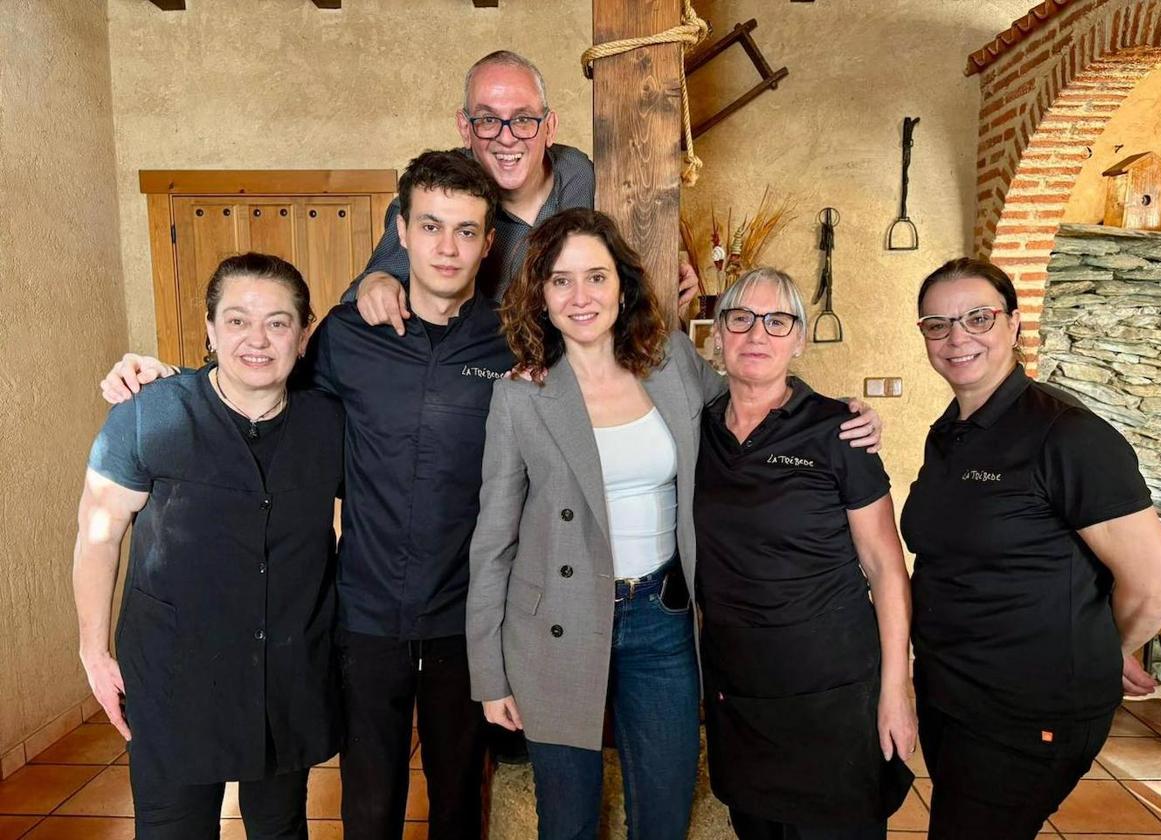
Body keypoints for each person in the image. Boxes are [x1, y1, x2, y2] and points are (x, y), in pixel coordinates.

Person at [97, 151, 511, 840]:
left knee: (460, 803)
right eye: (431, 225)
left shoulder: (510, 341)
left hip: (465, 615)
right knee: (369, 806)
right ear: (400, 231)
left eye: (466, 231)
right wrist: (169, 382)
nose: (448, 246)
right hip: (364, 614)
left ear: (487, 243)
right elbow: (259, 387)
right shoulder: (346, 335)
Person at [466, 210, 885, 840]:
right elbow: (492, 542)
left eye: (596, 277)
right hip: (555, 623)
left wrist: (840, 415)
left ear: (622, 286)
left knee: (662, 814)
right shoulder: (521, 393)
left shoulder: (670, 366)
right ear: (541, 296)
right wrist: (489, 673)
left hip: (661, 618)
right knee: (567, 822)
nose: (581, 297)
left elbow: (756, 389)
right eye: (561, 281)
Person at [900, 257, 1161, 840]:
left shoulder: (1068, 434)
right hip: (955, 695)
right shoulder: (950, 430)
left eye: (977, 317)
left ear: (1012, 324)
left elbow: (1157, 581)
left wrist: (1106, 652)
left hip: (1028, 711)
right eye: (937, 324)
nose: (957, 338)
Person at [73, 253, 343, 839]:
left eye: (278, 321)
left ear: (303, 335)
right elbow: (98, 534)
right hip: (176, 679)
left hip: (285, 677)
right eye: (238, 319)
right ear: (210, 329)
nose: (258, 339)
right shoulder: (150, 412)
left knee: (280, 828)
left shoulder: (329, 422)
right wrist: (94, 652)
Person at [693, 268, 916, 840]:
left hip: (832, 693)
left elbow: (886, 567)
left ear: (799, 338)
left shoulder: (839, 431)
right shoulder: (698, 427)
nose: (756, 334)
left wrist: (896, 690)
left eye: (777, 320)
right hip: (738, 691)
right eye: (740, 319)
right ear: (717, 334)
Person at [347, 49, 700, 337]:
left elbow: (623, 253)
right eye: (487, 119)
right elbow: (373, 282)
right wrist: (377, 281)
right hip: (472, 379)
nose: (506, 137)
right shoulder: (442, 194)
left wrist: (663, 263)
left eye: (523, 119)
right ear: (464, 128)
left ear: (549, 128)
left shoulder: (583, 176)